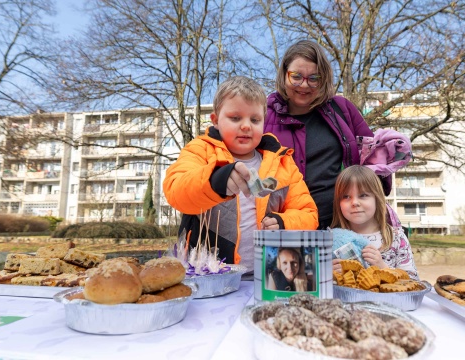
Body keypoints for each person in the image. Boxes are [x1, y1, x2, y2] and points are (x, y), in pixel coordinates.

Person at [163, 76, 318, 274]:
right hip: (208, 275)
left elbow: (309, 214)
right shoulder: (200, 150)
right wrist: (215, 180)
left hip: (270, 276)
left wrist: (283, 222)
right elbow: (176, 192)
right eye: (235, 118)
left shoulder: (283, 162)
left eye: (255, 119)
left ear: (264, 122)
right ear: (215, 120)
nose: (246, 126)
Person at [265, 40, 374, 230]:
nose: (304, 85)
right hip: (283, 224)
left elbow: (372, 156)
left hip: (338, 222)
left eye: (313, 78)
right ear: (284, 74)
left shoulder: (341, 110)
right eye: (296, 76)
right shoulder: (264, 115)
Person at [331, 166, 419, 280]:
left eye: (363, 195)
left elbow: (414, 281)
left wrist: (383, 267)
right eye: (346, 197)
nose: (355, 202)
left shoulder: (396, 238)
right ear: (338, 203)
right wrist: (328, 275)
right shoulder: (331, 240)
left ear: (377, 198)